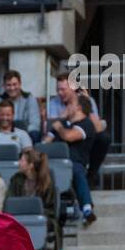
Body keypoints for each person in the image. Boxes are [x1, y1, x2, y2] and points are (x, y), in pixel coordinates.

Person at [47, 70, 110, 186]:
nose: (60, 93)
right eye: (58, 90)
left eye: (63, 89)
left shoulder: (88, 101)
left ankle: (92, 174)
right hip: (66, 140)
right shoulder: (53, 103)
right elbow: (50, 127)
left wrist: (87, 107)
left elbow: (98, 129)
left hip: (84, 139)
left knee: (103, 138)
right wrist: (65, 116)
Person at [45, 92, 96, 225]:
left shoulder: (86, 124)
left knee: (75, 169)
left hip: (74, 164)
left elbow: (69, 136)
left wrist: (59, 126)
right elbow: (45, 143)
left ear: (78, 107)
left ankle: (86, 209)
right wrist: (59, 124)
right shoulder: (62, 124)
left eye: (70, 104)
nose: (66, 106)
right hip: (52, 163)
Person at [7, 148, 61, 250]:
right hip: (19, 219)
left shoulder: (46, 182)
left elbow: (51, 208)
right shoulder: (16, 179)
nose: (19, 163)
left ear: (30, 165)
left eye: (22, 160)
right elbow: (10, 202)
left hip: (42, 219)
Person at [0, 70, 41, 142]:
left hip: (26, 135)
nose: (12, 88)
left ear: (20, 84)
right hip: (2, 135)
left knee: (35, 134)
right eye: (9, 85)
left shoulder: (29, 99)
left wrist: (21, 135)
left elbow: (35, 124)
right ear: (4, 86)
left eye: (14, 84)